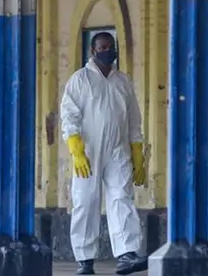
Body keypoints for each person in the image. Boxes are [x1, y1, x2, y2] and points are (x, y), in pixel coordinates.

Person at [60, 32, 148, 275]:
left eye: (111, 46)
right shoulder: (80, 80)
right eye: (102, 47)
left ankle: (127, 254)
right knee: (86, 202)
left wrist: (137, 151)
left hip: (118, 150)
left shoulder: (123, 82)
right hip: (88, 151)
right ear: (92, 51)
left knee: (122, 197)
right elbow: (69, 116)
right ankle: (85, 259)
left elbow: (133, 119)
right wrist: (76, 149)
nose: (107, 50)